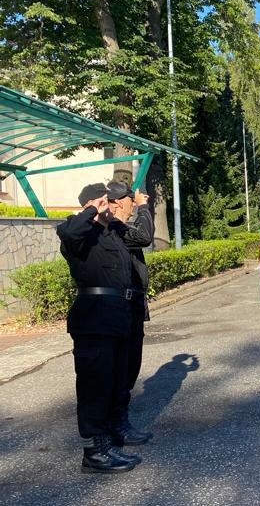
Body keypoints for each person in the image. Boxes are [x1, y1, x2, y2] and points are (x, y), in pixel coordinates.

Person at [57, 183, 153, 473]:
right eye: (103, 202)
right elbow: (71, 232)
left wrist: (118, 215)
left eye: (108, 202)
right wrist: (91, 210)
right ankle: (94, 452)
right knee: (94, 386)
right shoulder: (75, 234)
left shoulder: (110, 233)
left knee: (114, 381)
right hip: (94, 319)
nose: (108, 206)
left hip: (118, 317)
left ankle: (110, 440)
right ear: (90, 204)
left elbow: (140, 240)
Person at [104, 182, 154, 449]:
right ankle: (117, 426)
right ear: (117, 202)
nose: (133, 202)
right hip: (121, 307)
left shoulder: (121, 226)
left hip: (134, 303)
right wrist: (145, 207)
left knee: (131, 364)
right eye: (129, 199)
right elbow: (146, 236)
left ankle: (120, 422)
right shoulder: (113, 227)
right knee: (122, 367)